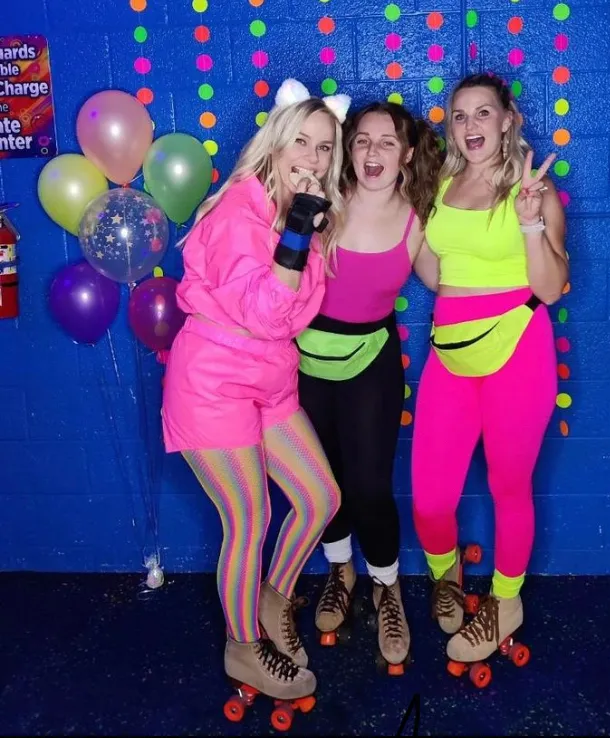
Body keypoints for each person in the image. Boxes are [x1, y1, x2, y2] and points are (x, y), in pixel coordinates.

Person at [161, 78, 352, 705]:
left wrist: (305, 225)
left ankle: (270, 600)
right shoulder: (240, 209)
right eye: (301, 141)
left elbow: (290, 320)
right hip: (214, 382)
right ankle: (242, 646)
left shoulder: (303, 212)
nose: (314, 157)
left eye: (326, 147)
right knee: (249, 517)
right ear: (274, 142)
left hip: (270, 378)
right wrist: (300, 226)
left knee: (320, 497)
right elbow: (269, 311)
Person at [411, 72, 568, 666]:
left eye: (483, 113)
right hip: (451, 354)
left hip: (518, 352)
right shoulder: (443, 185)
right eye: (459, 115)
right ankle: (446, 577)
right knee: (429, 499)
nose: (471, 125)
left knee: (508, 487)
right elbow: (436, 273)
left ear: (508, 120)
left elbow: (551, 289)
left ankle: (506, 603)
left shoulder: (537, 192)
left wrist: (529, 218)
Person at [295, 101, 442, 672]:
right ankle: (340, 570)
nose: (373, 152)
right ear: (348, 149)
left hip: (370, 360)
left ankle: (386, 587)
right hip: (303, 359)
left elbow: (453, 285)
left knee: (368, 486)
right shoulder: (318, 203)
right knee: (323, 483)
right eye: (362, 141)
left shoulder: (418, 220)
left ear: (406, 154)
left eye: (387, 142)